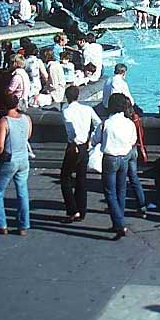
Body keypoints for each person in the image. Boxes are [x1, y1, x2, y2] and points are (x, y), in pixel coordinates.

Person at [0, 93, 32, 235]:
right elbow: (28, 136)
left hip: (10, 159)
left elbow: (0, 145)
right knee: (22, 191)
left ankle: (1, 224)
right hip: (23, 159)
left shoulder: (4, 121)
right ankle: (24, 225)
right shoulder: (27, 119)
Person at [98, 92, 138, 237]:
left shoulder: (106, 123)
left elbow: (96, 139)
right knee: (121, 190)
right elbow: (133, 140)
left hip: (110, 158)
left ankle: (119, 223)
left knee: (110, 192)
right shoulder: (129, 123)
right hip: (124, 157)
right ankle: (118, 220)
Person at [61, 85, 100, 223]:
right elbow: (98, 123)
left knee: (65, 177)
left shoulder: (66, 111)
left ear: (67, 97)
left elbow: (70, 130)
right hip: (84, 146)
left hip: (74, 146)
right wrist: (91, 139)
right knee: (81, 178)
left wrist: (73, 141)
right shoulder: (87, 109)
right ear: (78, 96)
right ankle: (82, 209)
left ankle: (72, 210)